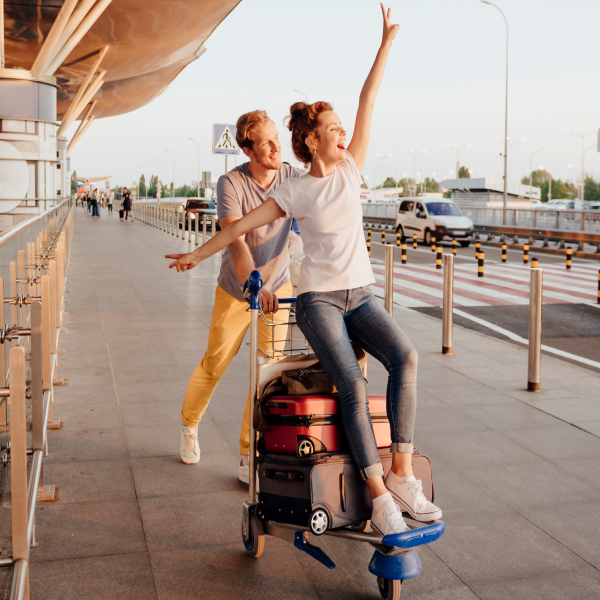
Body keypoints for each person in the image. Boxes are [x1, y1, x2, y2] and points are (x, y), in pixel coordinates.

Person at [166, 5, 442, 535]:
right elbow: (236, 231)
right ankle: (380, 497)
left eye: (343, 129)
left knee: (404, 357)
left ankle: (402, 474)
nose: (343, 135)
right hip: (317, 301)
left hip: (359, 294)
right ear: (312, 140)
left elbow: (368, 101)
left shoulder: (351, 169)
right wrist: (195, 256)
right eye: (333, 130)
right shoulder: (293, 189)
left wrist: (384, 44)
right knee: (349, 386)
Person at [164, 109, 305, 476]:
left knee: (267, 373)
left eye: (277, 138)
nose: (277, 147)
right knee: (215, 363)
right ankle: (189, 425)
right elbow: (236, 243)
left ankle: (249, 454)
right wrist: (253, 285)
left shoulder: (290, 176)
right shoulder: (231, 184)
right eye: (267, 143)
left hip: (279, 289)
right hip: (238, 290)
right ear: (248, 150)